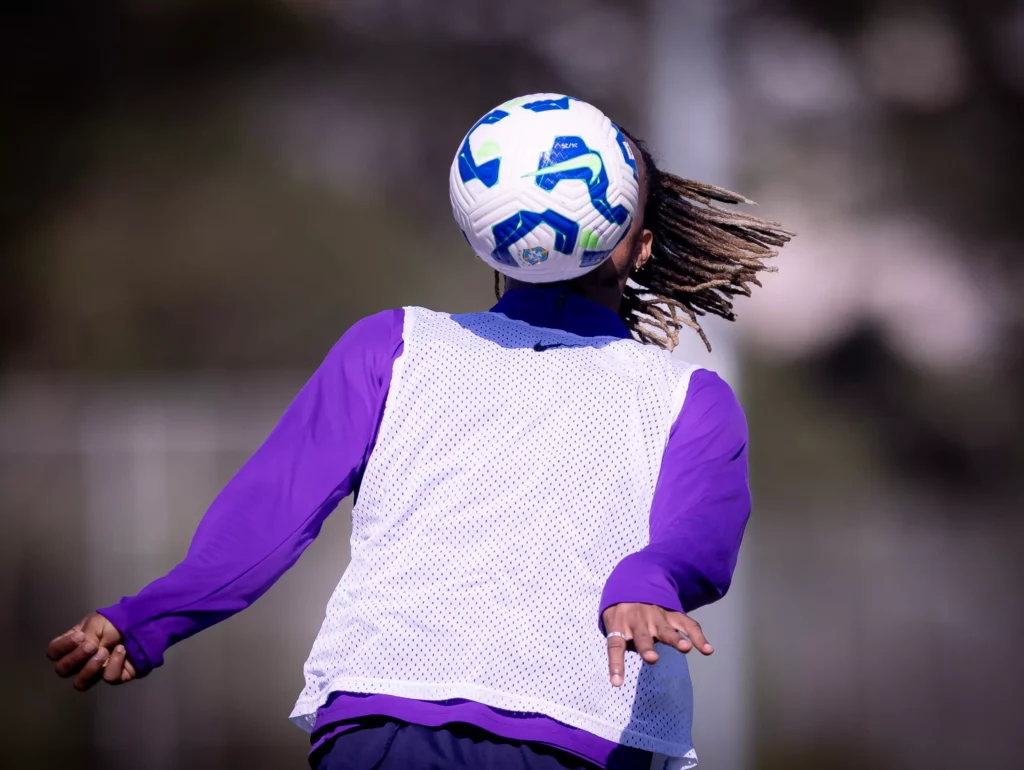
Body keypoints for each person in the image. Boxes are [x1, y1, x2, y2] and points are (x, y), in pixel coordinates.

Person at [47, 103, 792, 769]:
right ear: (641, 249)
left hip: (381, 721)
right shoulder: (687, 395)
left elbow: (269, 515)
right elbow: (700, 539)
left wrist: (151, 617)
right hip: (567, 728)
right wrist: (648, 583)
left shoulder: (395, 345)